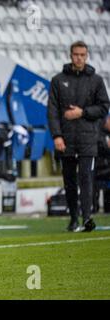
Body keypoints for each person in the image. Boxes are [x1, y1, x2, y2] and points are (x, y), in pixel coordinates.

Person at [47, 41, 110, 232]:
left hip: (88, 140)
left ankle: (87, 218)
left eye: (82, 55)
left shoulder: (96, 81)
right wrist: (57, 136)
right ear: (70, 55)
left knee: (86, 179)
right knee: (69, 181)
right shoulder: (58, 80)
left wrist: (82, 112)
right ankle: (73, 218)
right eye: (76, 54)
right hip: (65, 140)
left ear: (87, 56)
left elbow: (104, 107)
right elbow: (52, 111)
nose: (79, 58)